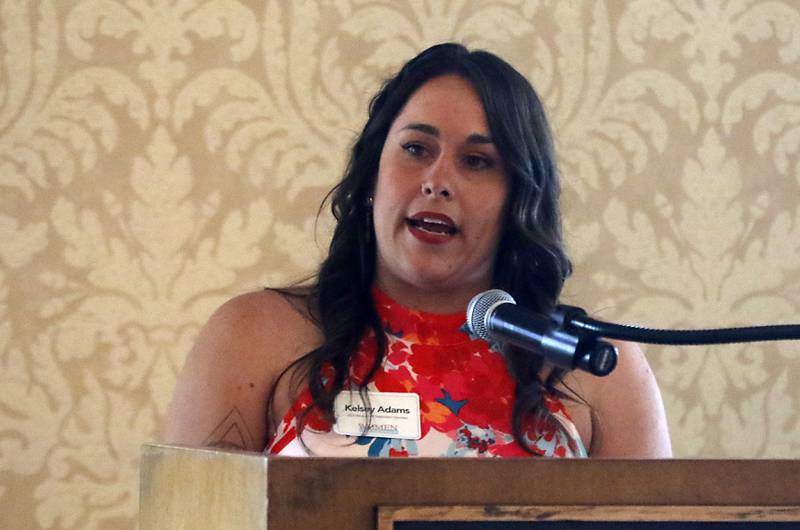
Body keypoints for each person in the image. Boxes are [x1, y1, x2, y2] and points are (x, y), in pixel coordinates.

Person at [162, 43, 672, 458]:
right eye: (415, 149)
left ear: (519, 199)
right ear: (371, 175)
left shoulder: (598, 367)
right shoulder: (253, 336)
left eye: (476, 161)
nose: (437, 181)